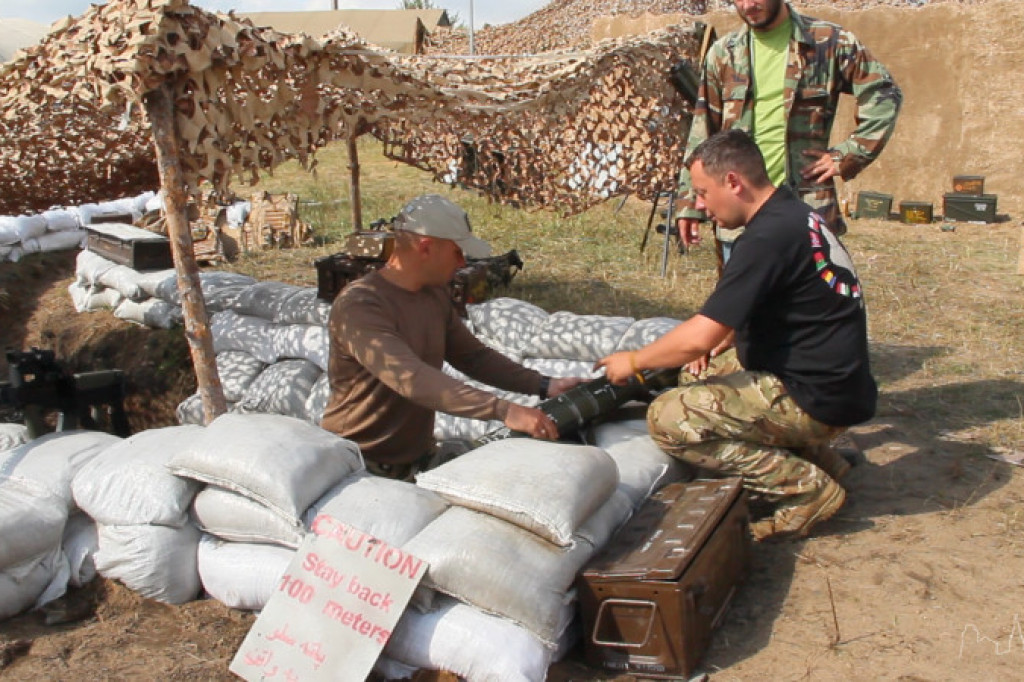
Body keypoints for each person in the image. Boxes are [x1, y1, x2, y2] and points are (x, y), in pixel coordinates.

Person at [596, 129, 877, 541]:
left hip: (817, 396)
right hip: (835, 384)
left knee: (670, 418)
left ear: (733, 182)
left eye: (703, 193)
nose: (700, 205)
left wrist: (634, 361)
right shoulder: (790, 214)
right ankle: (817, 458)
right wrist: (733, 337)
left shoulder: (767, 237)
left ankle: (805, 489)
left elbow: (700, 335)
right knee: (696, 375)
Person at [321, 194, 583, 480]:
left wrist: (545, 385)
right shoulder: (361, 306)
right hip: (359, 464)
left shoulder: (433, 294)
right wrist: (503, 409)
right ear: (425, 247)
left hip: (415, 458)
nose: (462, 263)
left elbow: (473, 357)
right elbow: (410, 377)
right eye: (457, 253)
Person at [676, 0, 902, 261]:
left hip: (805, 211)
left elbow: (884, 94)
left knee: (808, 300)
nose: (748, 5)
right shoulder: (724, 54)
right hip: (741, 212)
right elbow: (703, 130)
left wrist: (850, 152)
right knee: (747, 301)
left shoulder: (829, 43)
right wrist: (690, 202)